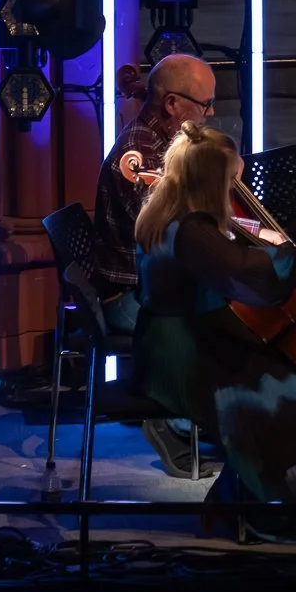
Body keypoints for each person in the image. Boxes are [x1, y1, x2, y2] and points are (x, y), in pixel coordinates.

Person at [133, 124, 296, 543]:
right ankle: (270, 516)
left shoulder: (169, 212)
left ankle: (236, 505)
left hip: (186, 338)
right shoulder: (190, 230)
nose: (236, 189)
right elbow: (242, 270)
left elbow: (233, 259)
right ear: (210, 182)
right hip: (184, 357)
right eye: (231, 181)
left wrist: (293, 255)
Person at [92, 52, 219, 475]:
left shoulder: (169, 144)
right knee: (218, 314)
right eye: (205, 105)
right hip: (129, 295)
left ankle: (207, 417)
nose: (210, 114)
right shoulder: (140, 153)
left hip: (152, 284)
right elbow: (171, 234)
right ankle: (172, 417)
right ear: (172, 104)